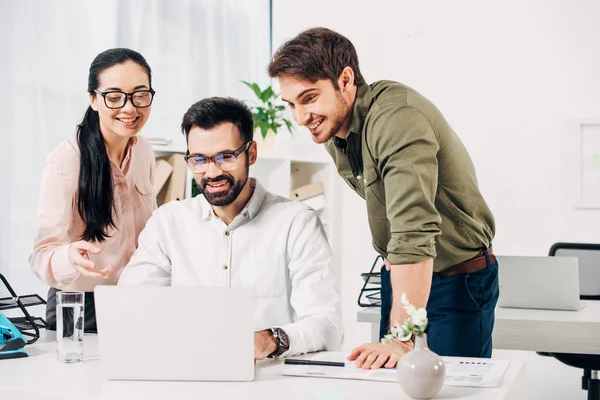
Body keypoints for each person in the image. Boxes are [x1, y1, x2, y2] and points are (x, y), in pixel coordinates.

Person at [268, 27, 498, 369]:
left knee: (450, 390)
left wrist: (401, 337)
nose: (301, 118)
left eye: (309, 98)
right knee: (391, 384)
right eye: (291, 104)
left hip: (456, 281)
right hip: (406, 275)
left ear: (345, 80)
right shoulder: (335, 131)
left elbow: (413, 230)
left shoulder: (396, 119)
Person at [118, 97, 343, 360]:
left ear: (252, 153)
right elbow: (128, 309)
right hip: (187, 374)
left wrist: (270, 340)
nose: (212, 173)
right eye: (199, 160)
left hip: (270, 383)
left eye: (225, 157)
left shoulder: (296, 223)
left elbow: (328, 326)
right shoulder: (168, 223)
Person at [30, 48, 157, 332]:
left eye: (140, 95)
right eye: (114, 97)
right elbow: (41, 254)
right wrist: (69, 257)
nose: (129, 108)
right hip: (80, 306)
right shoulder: (65, 159)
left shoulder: (144, 151)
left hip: (136, 299)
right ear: (93, 99)